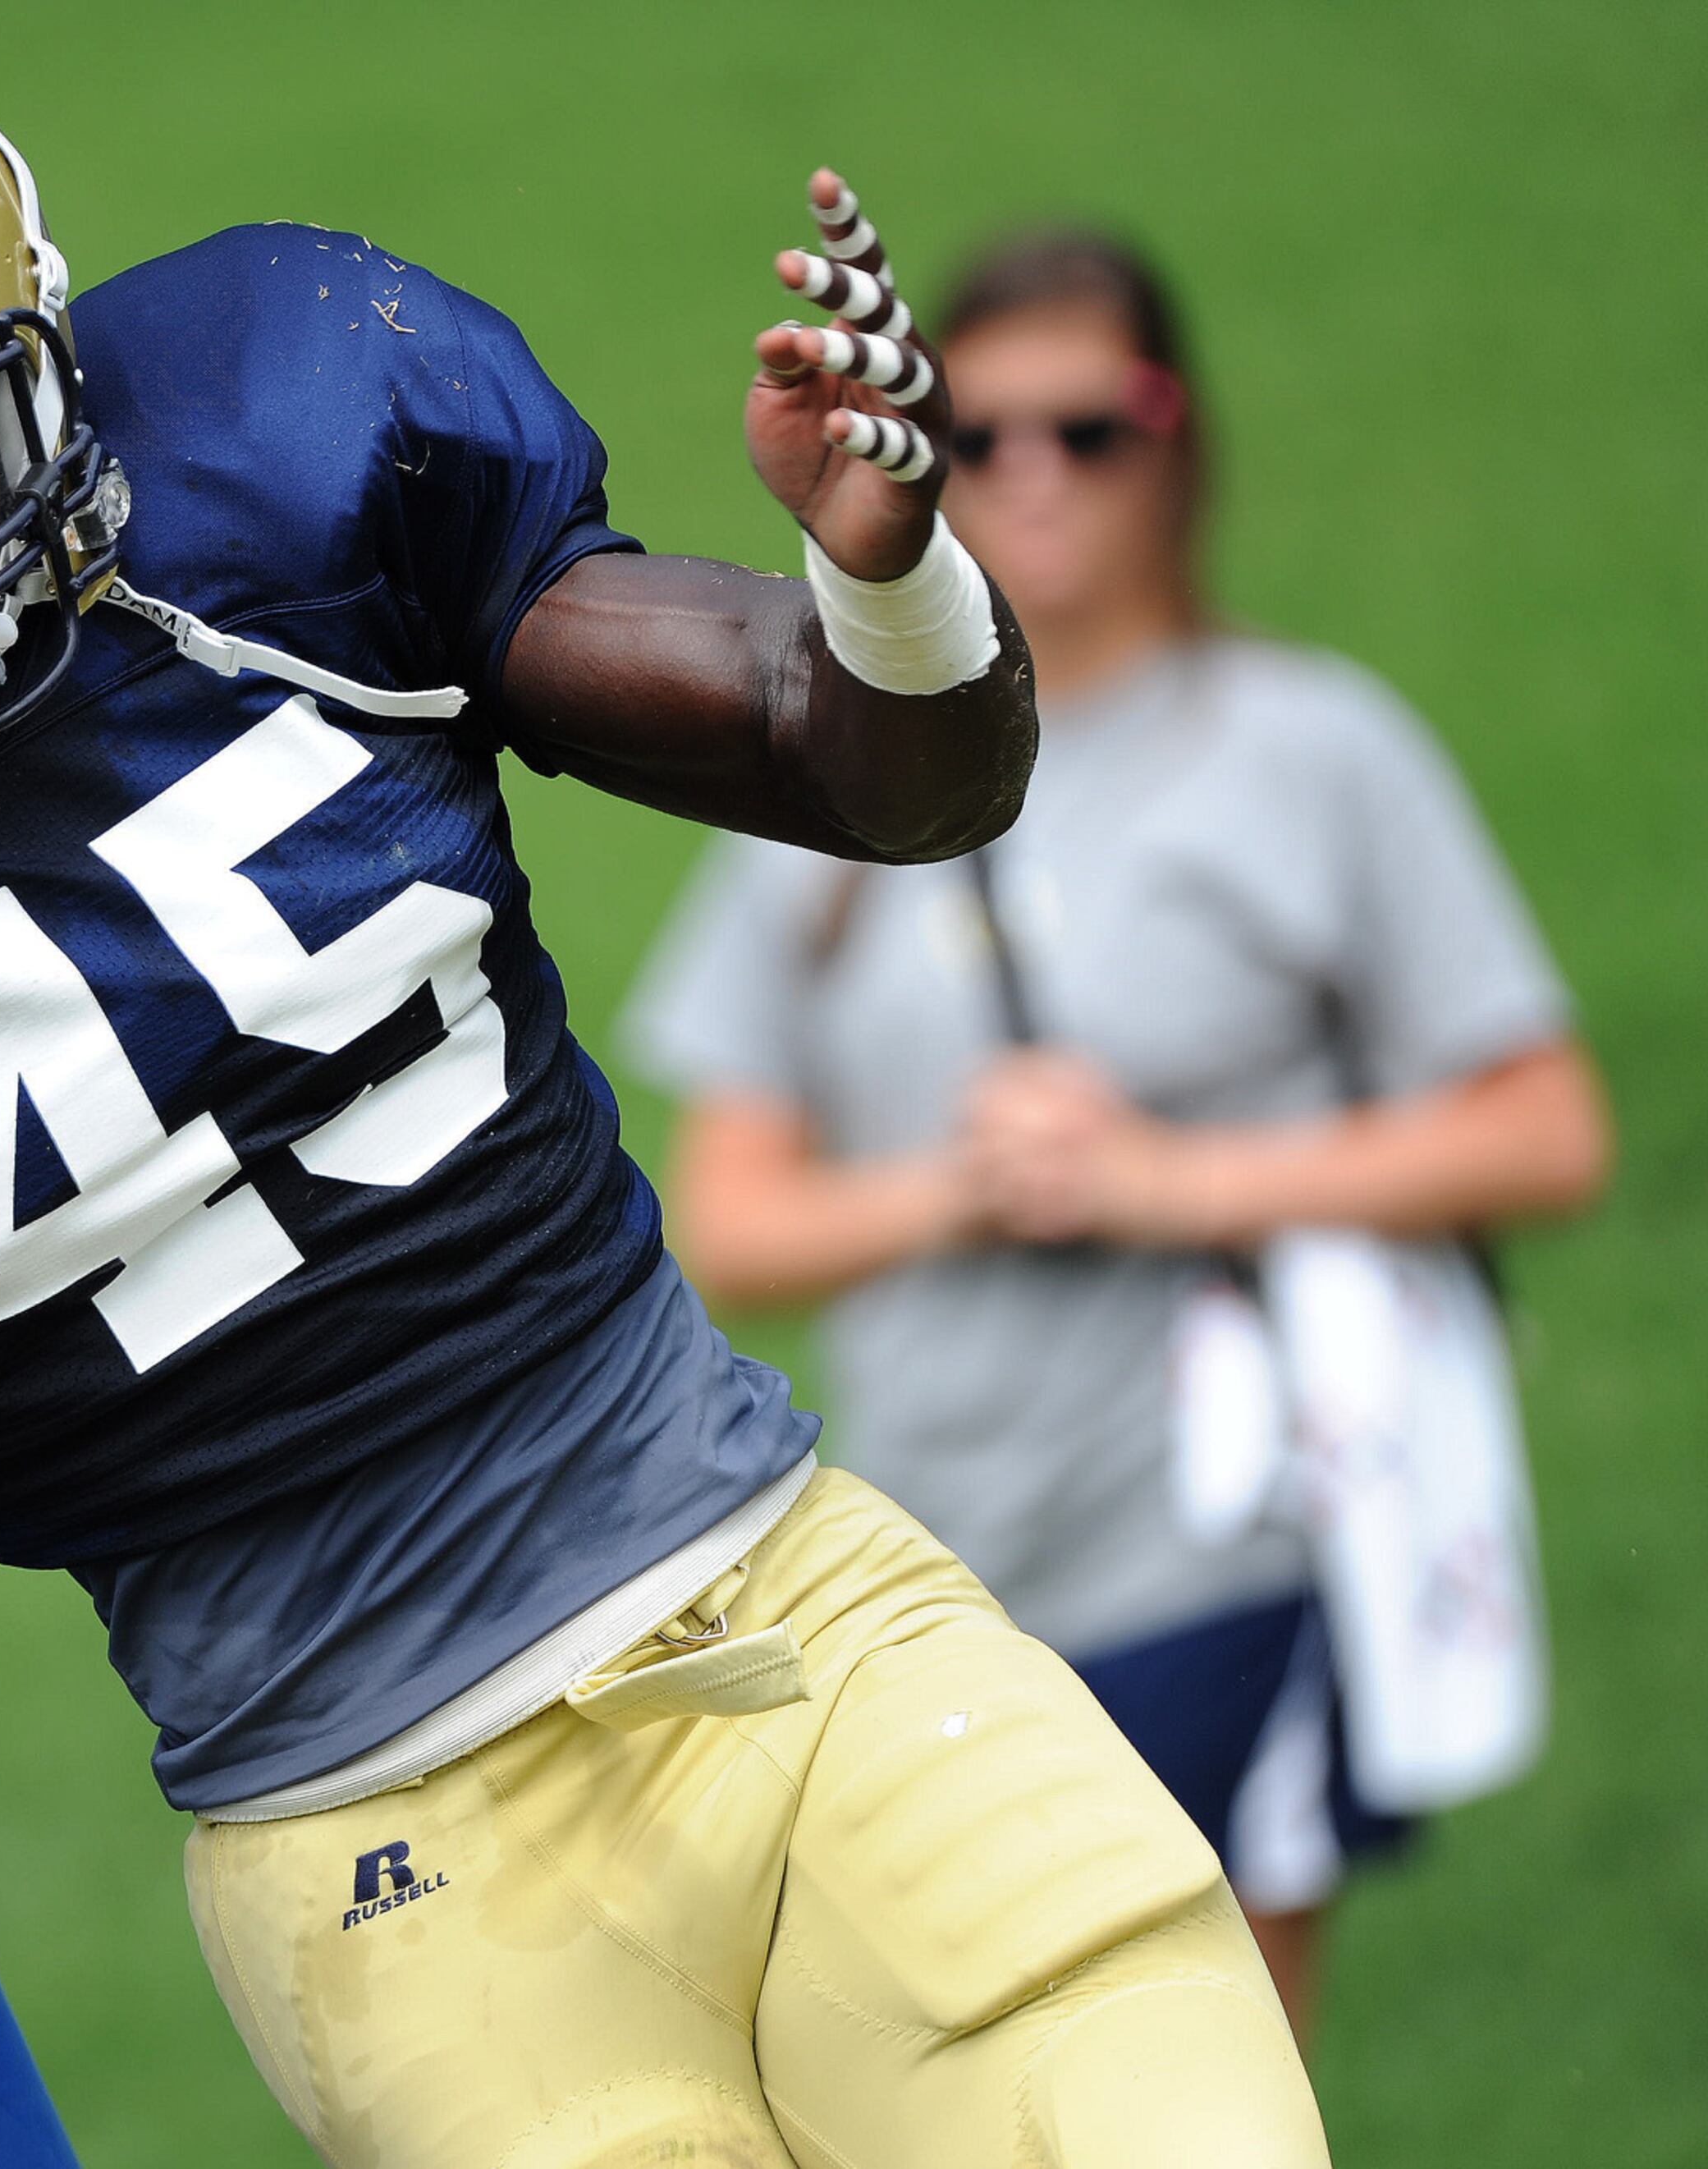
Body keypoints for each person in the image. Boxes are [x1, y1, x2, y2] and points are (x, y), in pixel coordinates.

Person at [0, 17, 1329, 2162]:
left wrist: (881, 577)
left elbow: (871, 765)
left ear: (49, 360)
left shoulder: (278, 442)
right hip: (387, 1861)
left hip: (804, 1629)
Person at [627, 228, 1610, 2044]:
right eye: (975, 435)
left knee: (1205, 2080)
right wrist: (965, 1191)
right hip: (924, 1592)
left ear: (1181, 441)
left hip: (1231, 1546)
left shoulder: (1312, 750)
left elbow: (1545, 1129)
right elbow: (729, 1222)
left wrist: (1174, 1181)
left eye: (1092, 426)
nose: (1031, 474)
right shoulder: (831, 772)